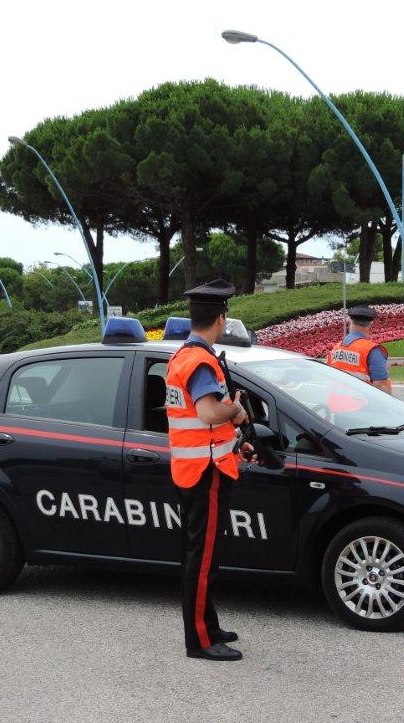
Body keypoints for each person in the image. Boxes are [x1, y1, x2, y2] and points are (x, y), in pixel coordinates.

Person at [165, 279, 252, 661]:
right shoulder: (200, 361)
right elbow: (208, 413)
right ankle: (200, 640)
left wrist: (236, 439)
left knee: (201, 555)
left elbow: (203, 424)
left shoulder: (184, 355)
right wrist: (234, 409)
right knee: (202, 558)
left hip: (194, 467)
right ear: (221, 318)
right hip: (206, 472)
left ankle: (208, 624)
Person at [327, 305, 393, 394]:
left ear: (350, 321)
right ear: (371, 323)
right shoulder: (372, 350)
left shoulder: (336, 348)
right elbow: (381, 385)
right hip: (362, 404)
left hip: (334, 403)